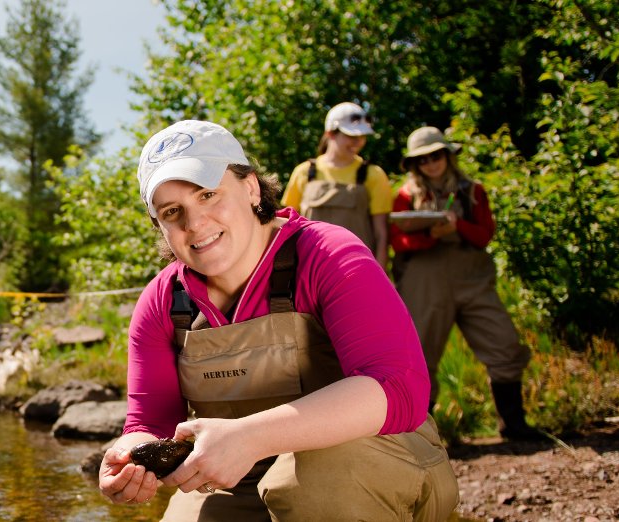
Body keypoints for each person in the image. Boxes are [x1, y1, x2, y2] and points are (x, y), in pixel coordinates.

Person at [97, 120, 456, 520]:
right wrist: (128, 456)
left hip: (376, 457)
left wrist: (250, 438)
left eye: (208, 194)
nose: (194, 223)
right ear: (159, 226)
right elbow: (150, 421)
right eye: (172, 211)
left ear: (251, 187)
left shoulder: (328, 255)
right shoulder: (161, 302)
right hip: (237, 478)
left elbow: (401, 390)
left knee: (315, 486)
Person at [390, 126, 539, 442]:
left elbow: (485, 234)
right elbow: (398, 241)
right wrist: (430, 236)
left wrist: (459, 227)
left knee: (504, 342)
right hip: (424, 282)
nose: (431, 163)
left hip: (472, 278)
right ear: (414, 164)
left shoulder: (473, 191)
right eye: (423, 158)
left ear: (447, 155)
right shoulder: (405, 196)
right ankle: (421, 438)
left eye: (436, 155)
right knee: (419, 356)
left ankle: (514, 424)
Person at [279, 102, 392, 266]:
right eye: (351, 136)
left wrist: (380, 276)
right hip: (309, 266)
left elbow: (382, 234)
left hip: (357, 268)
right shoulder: (304, 172)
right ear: (330, 133)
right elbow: (286, 226)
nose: (358, 142)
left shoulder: (374, 175)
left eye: (362, 137)